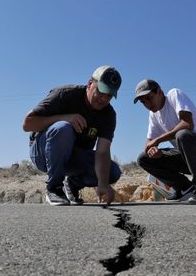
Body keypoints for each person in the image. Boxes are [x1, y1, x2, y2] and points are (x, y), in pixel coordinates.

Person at [23, 66, 122, 206]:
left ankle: (73, 185)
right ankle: (54, 188)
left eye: (109, 95)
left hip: (74, 157)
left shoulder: (108, 115)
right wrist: (65, 117)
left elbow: (103, 151)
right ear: (90, 83)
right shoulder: (65, 94)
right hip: (42, 153)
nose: (104, 99)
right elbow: (27, 124)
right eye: (101, 91)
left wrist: (103, 183)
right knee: (63, 128)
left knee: (112, 172)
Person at [134, 79, 196, 202]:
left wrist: (158, 140)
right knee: (143, 158)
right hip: (188, 158)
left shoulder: (174, 95)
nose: (147, 104)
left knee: (183, 135)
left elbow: (187, 124)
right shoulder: (153, 115)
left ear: (160, 92)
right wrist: (153, 150)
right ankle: (185, 188)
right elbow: (149, 143)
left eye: (149, 98)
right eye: (143, 102)